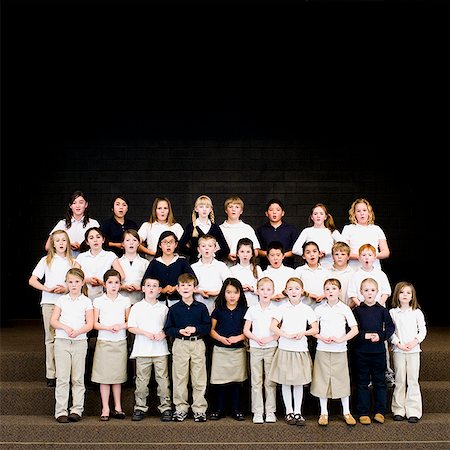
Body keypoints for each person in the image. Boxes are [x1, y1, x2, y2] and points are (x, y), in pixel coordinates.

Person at [29, 230, 80, 387]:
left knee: (68, 337)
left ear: (68, 242)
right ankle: (52, 373)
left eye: (63, 240)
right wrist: (47, 288)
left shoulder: (74, 262)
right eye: (57, 240)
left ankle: (68, 373)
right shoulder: (46, 260)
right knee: (51, 338)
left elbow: (77, 282)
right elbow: (32, 280)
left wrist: (65, 288)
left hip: (69, 304)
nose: (60, 243)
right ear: (52, 243)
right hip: (50, 303)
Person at [268, 277, 318, 426]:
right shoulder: (282, 308)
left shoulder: (307, 309)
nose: (293, 291)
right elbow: (273, 326)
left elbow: (315, 329)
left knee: (298, 382)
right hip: (285, 348)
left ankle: (298, 412)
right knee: (285, 382)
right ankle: (289, 412)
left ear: (302, 291)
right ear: (286, 291)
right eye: (290, 289)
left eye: (296, 288)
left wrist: (304, 333)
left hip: (300, 349)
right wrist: (285, 335)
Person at [310, 278, 359, 426]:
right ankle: (324, 412)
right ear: (324, 292)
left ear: (339, 291)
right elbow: (314, 330)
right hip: (323, 349)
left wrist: (341, 339)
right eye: (327, 289)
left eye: (333, 288)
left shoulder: (345, 309)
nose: (330, 291)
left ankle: (346, 412)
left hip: (340, 349)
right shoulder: (318, 309)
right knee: (322, 380)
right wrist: (321, 337)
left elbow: (355, 330)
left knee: (342, 380)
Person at [164, 273, 212, 422]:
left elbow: (207, 326)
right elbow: (168, 328)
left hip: (197, 343)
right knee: (179, 377)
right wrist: (178, 331)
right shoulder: (174, 309)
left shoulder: (201, 307)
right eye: (183, 285)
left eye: (189, 285)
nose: (186, 288)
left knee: (199, 377)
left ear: (194, 288)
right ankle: (180, 408)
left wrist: (195, 329)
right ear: (177, 288)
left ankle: (199, 409)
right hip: (180, 344)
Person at [49, 267, 94, 423]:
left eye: (76, 282)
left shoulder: (87, 301)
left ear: (82, 283)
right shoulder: (61, 300)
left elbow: (90, 323)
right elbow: (53, 320)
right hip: (62, 341)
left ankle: (76, 409)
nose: (73, 285)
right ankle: (60, 411)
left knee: (77, 378)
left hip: (80, 342)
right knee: (62, 378)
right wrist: (65, 327)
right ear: (66, 283)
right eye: (70, 282)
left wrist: (79, 331)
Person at [347, 243, 394, 386]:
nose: (367, 258)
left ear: (375, 257)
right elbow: (352, 294)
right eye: (363, 255)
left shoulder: (380, 274)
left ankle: (386, 373)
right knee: (362, 340)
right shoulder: (356, 275)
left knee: (381, 342)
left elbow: (386, 292)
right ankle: (365, 376)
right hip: (362, 312)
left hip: (378, 311)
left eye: (369, 255)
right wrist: (362, 305)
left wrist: (377, 305)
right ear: (359, 258)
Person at [128, 276, 173, 422]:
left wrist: (163, 333)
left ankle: (165, 407)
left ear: (160, 290)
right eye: (148, 285)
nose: (151, 288)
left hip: (160, 350)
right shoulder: (136, 307)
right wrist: (145, 333)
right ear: (143, 288)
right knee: (141, 381)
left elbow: (168, 327)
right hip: (143, 350)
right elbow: (131, 327)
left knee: (163, 380)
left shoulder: (164, 308)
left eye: (155, 286)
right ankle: (140, 407)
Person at [352, 278, 395, 425]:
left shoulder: (382, 310)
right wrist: (364, 335)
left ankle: (380, 412)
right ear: (361, 292)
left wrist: (381, 336)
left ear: (377, 292)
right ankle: (363, 412)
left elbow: (390, 327)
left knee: (380, 382)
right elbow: (351, 330)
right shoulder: (356, 311)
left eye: (372, 290)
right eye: (366, 290)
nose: (369, 293)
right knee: (362, 382)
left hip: (378, 353)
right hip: (361, 352)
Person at [91, 269, 131, 421]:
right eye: (110, 282)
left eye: (116, 283)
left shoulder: (125, 300)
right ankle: (105, 408)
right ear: (104, 284)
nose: (113, 286)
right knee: (104, 376)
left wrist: (121, 326)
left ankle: (118, 407)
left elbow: (129, 321)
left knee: (117, 375)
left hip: (119, 341)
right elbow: (94, 323)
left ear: (120, 284)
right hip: (104, 341)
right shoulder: (98, 301)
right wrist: (108, 327)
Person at [209, 278, 248, 421]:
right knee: (220, 382)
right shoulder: (218, 310)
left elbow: (248, 331)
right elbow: (211, 330)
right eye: (229, 292)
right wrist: (220, 338)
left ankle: (236, 409)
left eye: (235, 293)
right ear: (223, 293)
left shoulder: (245, 310)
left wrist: (238, 338)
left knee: (237, 382)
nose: (232, 296)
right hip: (220, 349)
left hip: (238, 350)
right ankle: (219, 409)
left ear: (240, 294)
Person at [389, 281, 427, 423]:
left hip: (413, 350)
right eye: (402, 292)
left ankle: (413, 411)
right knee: (399, 380)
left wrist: (414, 342)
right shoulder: (393, 312)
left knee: (412, 380)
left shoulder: (417, 312)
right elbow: (390, 331)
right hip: (399, 350)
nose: (405, 295)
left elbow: (422, 330)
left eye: (408, 293)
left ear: (412, 296)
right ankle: (398, 410)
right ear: (397, 295)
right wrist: (398, 343)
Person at [243, 277, 279, 424]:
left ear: (273, 292)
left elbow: (278, 331)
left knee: (270, 381)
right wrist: (256, 338)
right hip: (256, 348)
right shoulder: (252, 309)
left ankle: (270, 411)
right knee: (256, 381)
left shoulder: (276, 310)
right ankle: (258, 412)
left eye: (268, 289)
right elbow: (246, 329)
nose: (265, 292)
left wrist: (270, 339)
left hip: (271, 348)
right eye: (262, 289)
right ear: (257, 291)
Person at [141, 231, 195, 307]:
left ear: (176, 244)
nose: (168, 245)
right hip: (158, 303)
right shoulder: (154, 263)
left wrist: (177, 287)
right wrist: (161, 290)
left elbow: (194, 280)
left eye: (171, 242)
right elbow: (144, 284)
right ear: (160, 245)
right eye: (165, 242)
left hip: (180, 302)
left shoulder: (182, 261)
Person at [75, 227, 125, 301]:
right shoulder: (81, 256)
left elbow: (122, 276)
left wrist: (104, 282)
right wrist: (87, 280)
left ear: (103, 240)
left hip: (104, 296)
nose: (95, 240)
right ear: (87, 242)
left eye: (98, 237)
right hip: (83, 296)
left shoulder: (110, 255)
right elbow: (73, 276)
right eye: (91, 238)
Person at [45, 190, 100, 257]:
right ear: (70, 205)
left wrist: (82, 247)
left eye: (81, 202)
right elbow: (47, 247)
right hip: (66, 262)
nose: (77, 206)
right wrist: (67, 245)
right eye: (74, 203)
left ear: (86, 205)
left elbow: (100, 246)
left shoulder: (93, 223)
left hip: (88, 262)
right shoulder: (62, 224)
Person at [340, 198, 390, 270]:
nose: (362, 213)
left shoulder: (377, 229)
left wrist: (372, 256)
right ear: (354, 213)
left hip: (374, 269)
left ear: (369, 212)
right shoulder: (348, 229)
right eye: (358, 211)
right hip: (354, 269)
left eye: (364, 210)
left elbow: (386, 252)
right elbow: (344, 251)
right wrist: (360, 257)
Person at [178, 194, 230, 264]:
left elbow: (225, 249)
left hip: (212, 264)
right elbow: (180, 246)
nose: (204, 209)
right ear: (196, 209)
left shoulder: (215, 228)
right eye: (201, 207)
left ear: (211, 209)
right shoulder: (190, 227)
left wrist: (213, 255)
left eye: (207, 207)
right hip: (195, 263)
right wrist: (194, 253)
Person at [292, 203, 341, 269]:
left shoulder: (332, 231)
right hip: (311, 267)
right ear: (312, 217)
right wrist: (311, 253)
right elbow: (295, 249)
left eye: (321, 213)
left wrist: (326, 252)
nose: (318, 216)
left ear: (325, 217)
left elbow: (344, 247)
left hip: (329, 267)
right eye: (315, 214)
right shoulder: (307, 231)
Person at [191, 234, 231, 315]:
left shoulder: (221, 266)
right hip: (198, 304)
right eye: (203, 246)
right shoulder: (193, 267)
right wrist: (199, 291)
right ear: (198, 249)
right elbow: (188, 286)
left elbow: (229, 284)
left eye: (210, 246)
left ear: (215, 248)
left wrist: (216, 293)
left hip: (218, 304)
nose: (206, 248)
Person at [256, 198, 300, 269]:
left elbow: (297, 250)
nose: (274, 212)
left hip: (287, 267)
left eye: (278, 210)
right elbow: (256, 251)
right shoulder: (261, 230)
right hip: (266, 268)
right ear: (266, 213)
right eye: (271, 210)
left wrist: (282, 255)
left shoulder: (291, 230)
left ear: (283, 213)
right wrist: (269, 254)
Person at [138, 197, 184, 262]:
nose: (162, 211)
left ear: (169, 211)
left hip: (172, 263)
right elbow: (135, 243)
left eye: (165, 208)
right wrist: (153, 253)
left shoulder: (176, 226)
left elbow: (185, 245)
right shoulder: (147, 226)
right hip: (152, 262)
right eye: (159, 208)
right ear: (155, 210)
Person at [219, 195, 260, 267]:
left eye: (237, 207)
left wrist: (242, 256)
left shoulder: (247, 229)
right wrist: (226, 255)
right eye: (230, 207)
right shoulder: (220, 229)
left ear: (241, 211)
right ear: (226, 210)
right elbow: (214, 250)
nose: (233, 210)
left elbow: (256, 251)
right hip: (225, 266)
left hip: (244, 267)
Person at [294, 241, 331, 310]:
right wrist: (309, 295)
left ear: (319, 254)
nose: (312, 254)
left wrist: (324, 296)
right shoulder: (299, 271)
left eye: (314, 251)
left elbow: (333, 288)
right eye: (308, 252)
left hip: (323, 307)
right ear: (303, 256)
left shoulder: (326, 272)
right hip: (304, 307)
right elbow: (294, 288)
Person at [260, 241, 295, 308]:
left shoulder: (291, 272)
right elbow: (260, 291)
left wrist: (284, 295)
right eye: (272, 255)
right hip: (269, 306)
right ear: (267, 257)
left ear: (283, 256)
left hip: (288, 306)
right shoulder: (264, 274)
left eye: (278, 255)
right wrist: (271, 297)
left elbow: (296, 289)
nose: (275, 258)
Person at [119, 229, 150, 305]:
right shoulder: (117, 262)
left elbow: (150, 283)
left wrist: (140, 288)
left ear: (139, 243)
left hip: (140, 302)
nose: (131, 243)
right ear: (122, 244)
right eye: (127, 240)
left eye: (134, 240)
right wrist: (123, 287)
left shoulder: (145, 263)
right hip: (121, 302)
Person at [229, 237, 262, 307]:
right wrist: (239, 288)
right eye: (242, 252)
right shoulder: (232, 270)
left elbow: (263, 287)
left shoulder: (257, 269)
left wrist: (253, 289)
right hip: (237, 306)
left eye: (248, 252)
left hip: (254, 305)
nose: (245, 255)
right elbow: (229, 288)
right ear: (237, 253)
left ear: (252, 254)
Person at [327, 241, 355, 307]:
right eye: (336, 254)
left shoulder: (353, 274)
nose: (339, 257)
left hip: (350, 309)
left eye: (343, 254)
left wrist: (348, 309)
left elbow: (355, 295)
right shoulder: (327, 273)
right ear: (332, 257)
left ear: (348, 257)